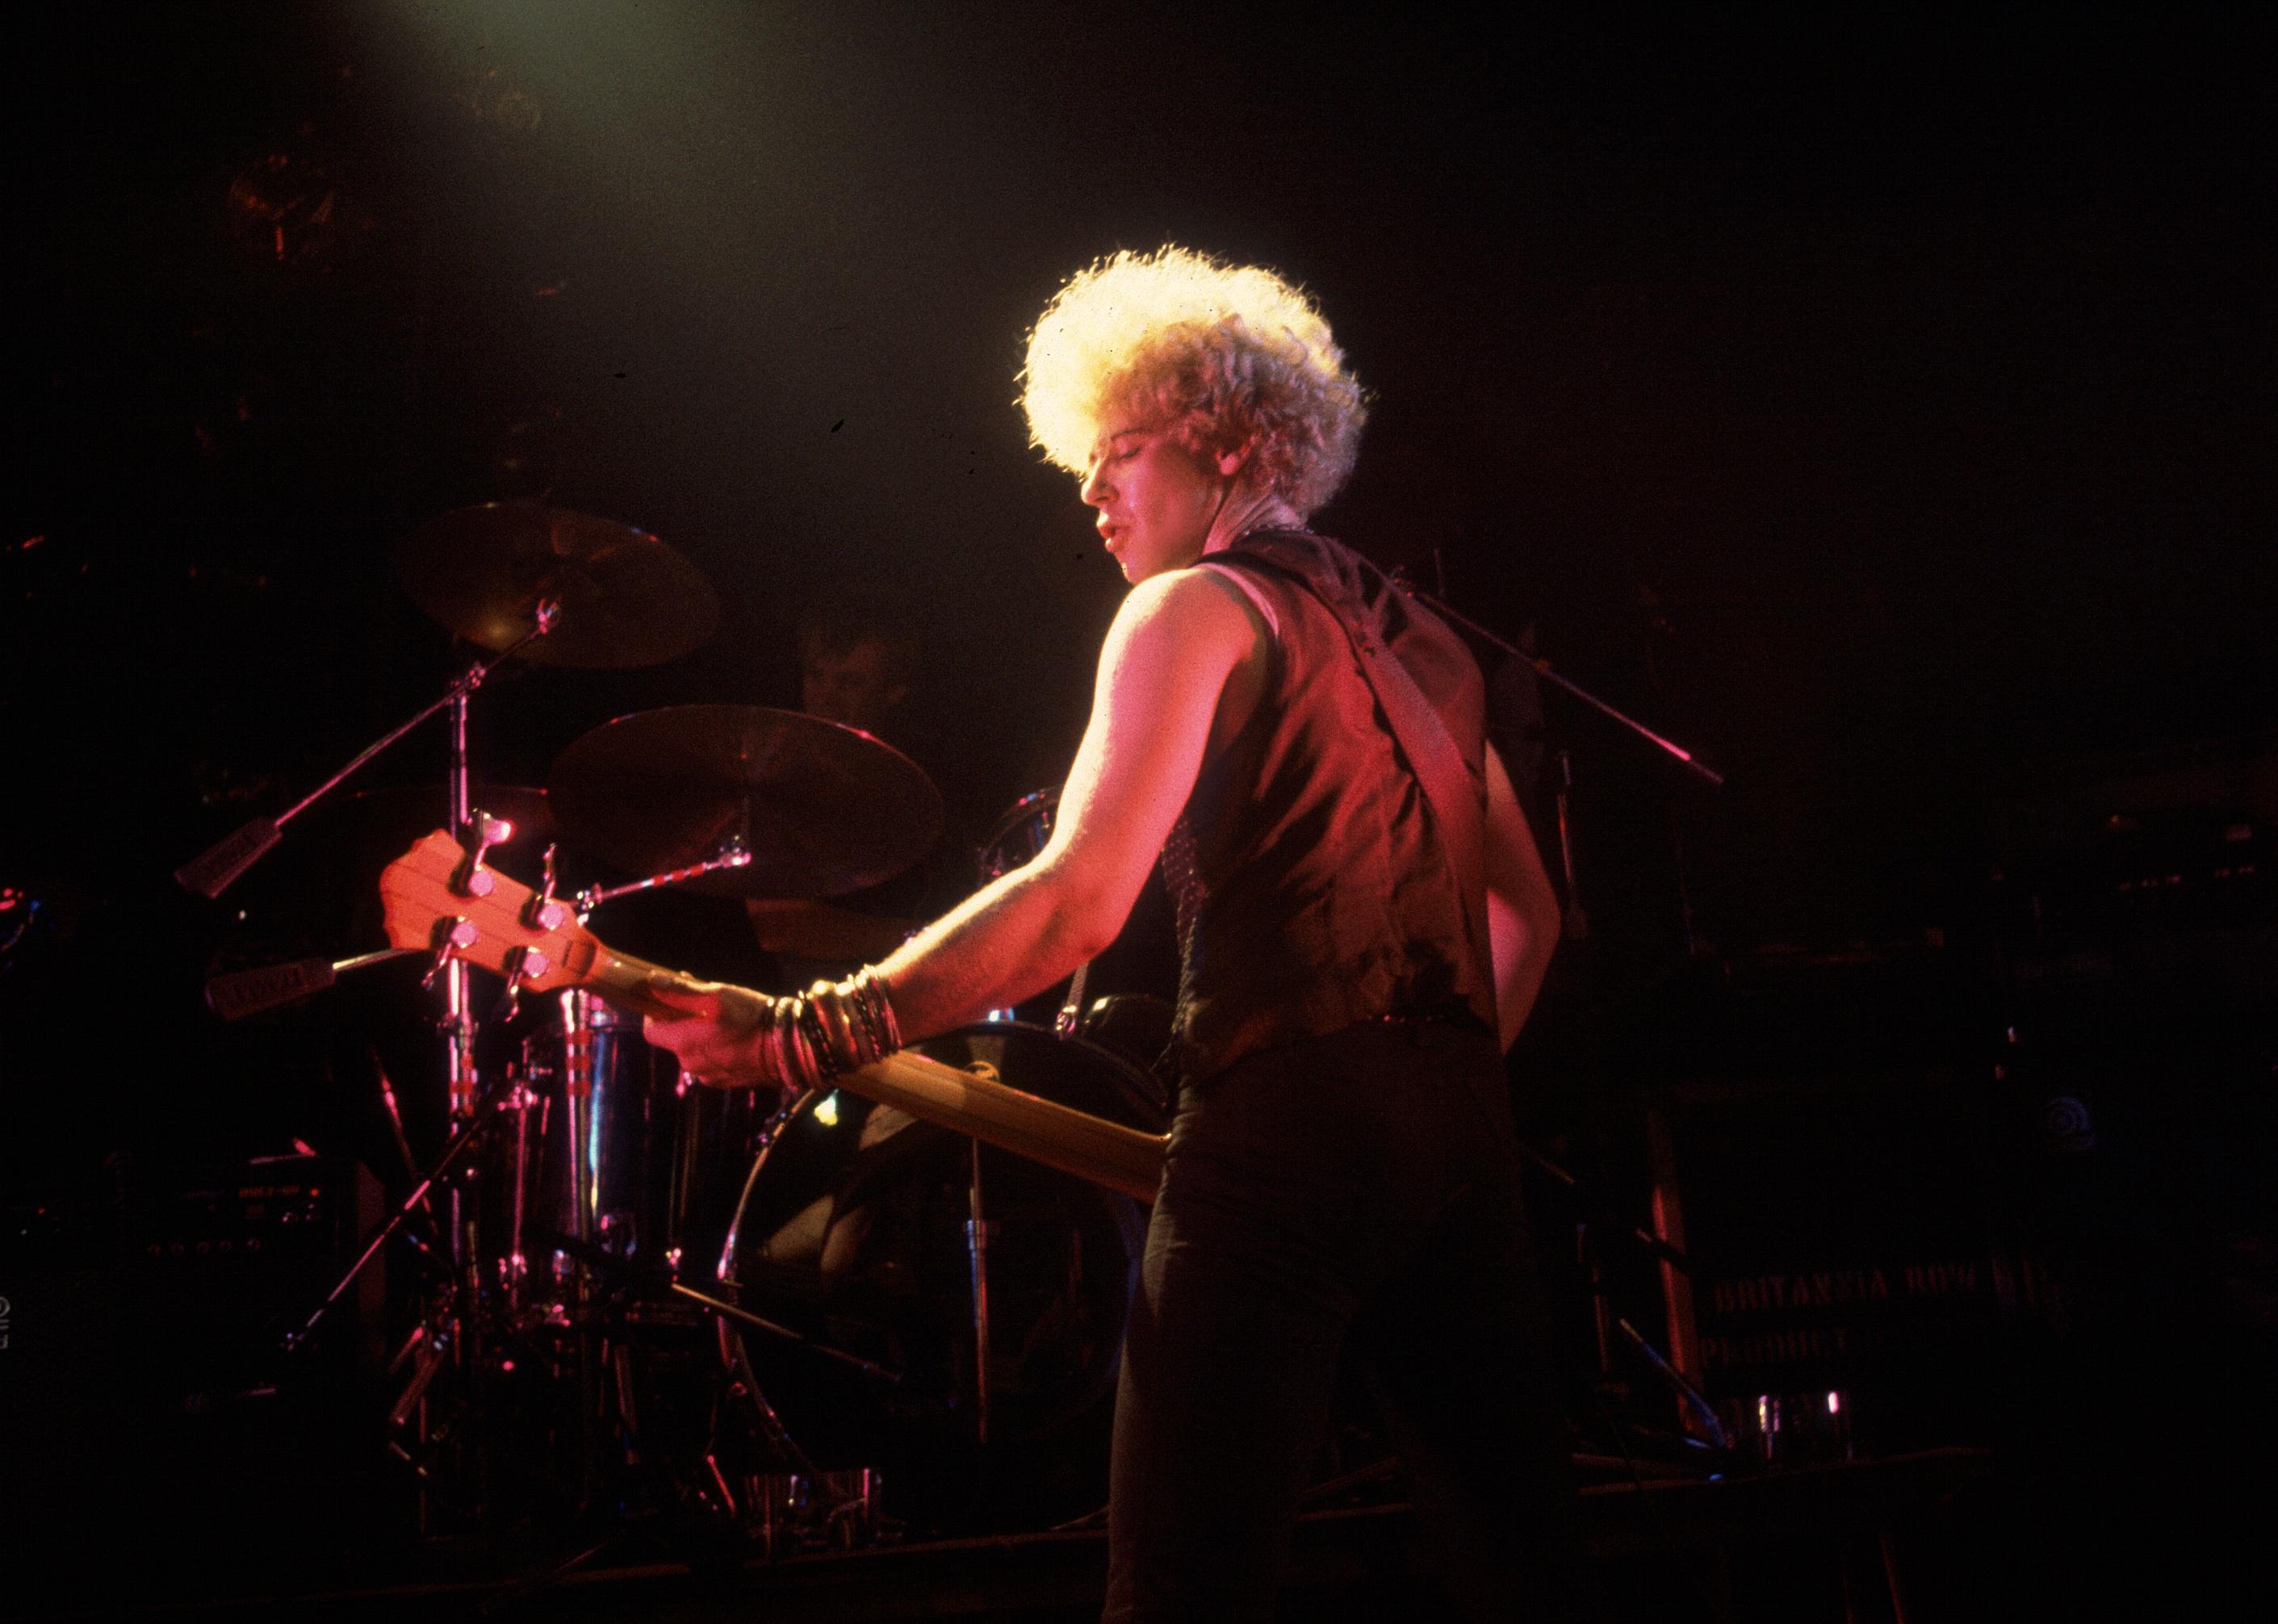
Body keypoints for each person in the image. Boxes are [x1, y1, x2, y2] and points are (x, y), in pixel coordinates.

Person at [644, 246, 1577, 1619]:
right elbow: (1529, 914)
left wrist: (806, 1031)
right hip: (1459, 1143)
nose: (1088, 491)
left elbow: (1076, 902)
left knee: (1180, 1590)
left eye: (1121, 450)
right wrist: (1428, 1088)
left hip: (1276, 1140)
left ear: (1229, 440)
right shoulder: (1424, 638)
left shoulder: (1189, 608)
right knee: (1524, 1577)